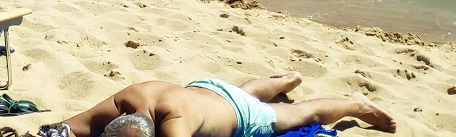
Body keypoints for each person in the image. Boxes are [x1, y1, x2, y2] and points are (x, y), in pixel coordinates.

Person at [41, 73, 395, 137]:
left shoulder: (173, 125)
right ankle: (285, 80)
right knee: (241, 91)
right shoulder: (127, 103)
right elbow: (66, 128)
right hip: (208, 89)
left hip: (244, 117)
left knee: (303, 114)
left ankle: (355, 104)